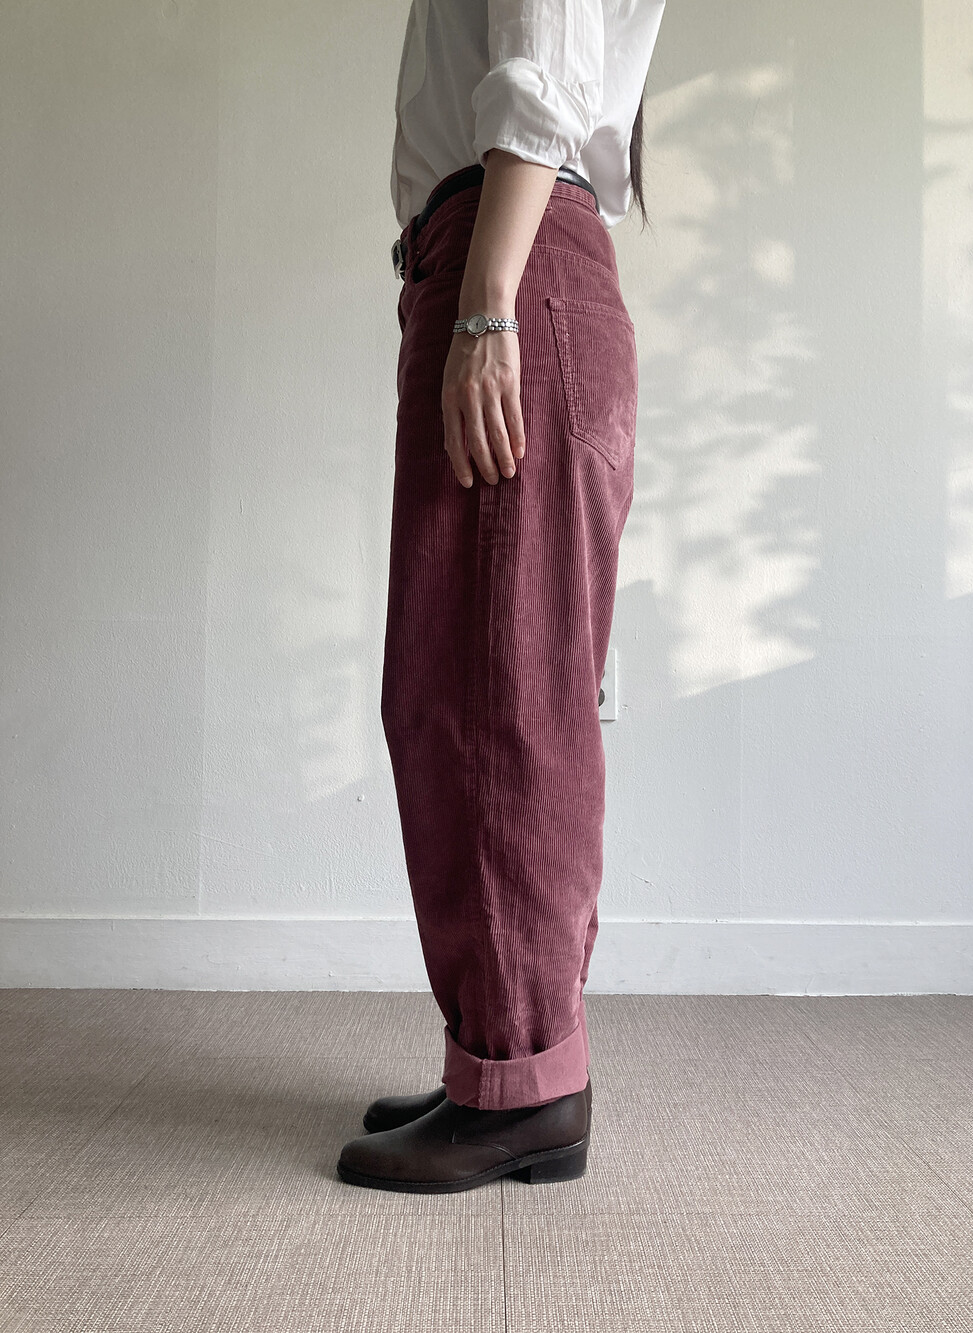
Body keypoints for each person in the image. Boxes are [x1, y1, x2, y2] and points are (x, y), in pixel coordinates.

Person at [337, 0, 666, 1194]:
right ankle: (500, 1059)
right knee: (463, 689)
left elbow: (542, 64)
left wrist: (484, 303)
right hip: (502, 262)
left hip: (507, 268)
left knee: (495, 703)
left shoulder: (499, 280)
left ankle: (522, 1090)